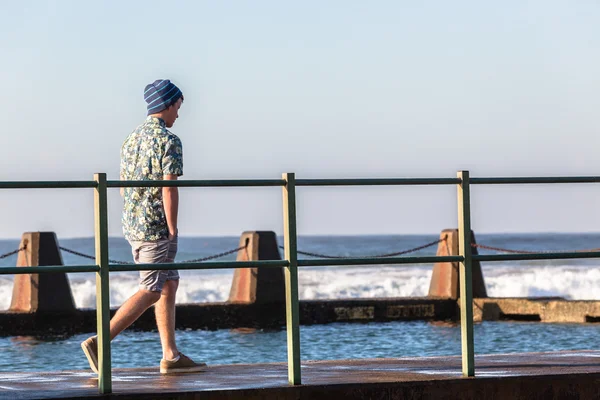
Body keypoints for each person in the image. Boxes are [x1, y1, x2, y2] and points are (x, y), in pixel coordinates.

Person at [81, 79, 205, 375]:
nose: (179, 114)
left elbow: (123, 189)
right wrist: (173, 228)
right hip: (156, 228)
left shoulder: (130, 139)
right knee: (151, 289)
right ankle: (101, 341)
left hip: (133, 224)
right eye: (178, 106)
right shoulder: (169, 141)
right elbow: (169, 189)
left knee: (169, 282)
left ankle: (171, 356)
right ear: (169, 104)